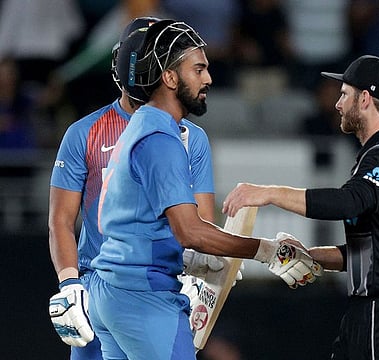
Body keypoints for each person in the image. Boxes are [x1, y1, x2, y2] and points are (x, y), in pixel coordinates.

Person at [83, 19, 320, 360]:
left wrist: (193, 259)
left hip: (114, 290)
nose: (208, 78)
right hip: (141, 297)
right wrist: (268, 251)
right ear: (170, 77)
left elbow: (127, 220)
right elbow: (191, 231)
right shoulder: (161, 140)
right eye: (198, 69)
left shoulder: (142, 125)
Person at [223, 55, 379, 359]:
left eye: (344, 94)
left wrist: (269, 193)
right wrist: (309, 256)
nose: (337, 103)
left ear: (364, 99)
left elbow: (347, 202)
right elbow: (374, 254)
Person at [48, 17, 236, 360]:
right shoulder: (83, 133)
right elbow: (61, 220)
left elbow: (201, 221)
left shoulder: (191, 138)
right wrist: (69, 282)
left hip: (155, 286)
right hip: (97, 288)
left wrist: (198, 276)